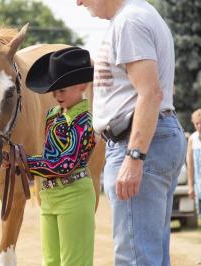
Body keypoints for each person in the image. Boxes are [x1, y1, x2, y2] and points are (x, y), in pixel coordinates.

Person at [76, 0, 187, 265]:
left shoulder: (129, 22)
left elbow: (150, 93)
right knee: (150, 254)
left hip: (138, 142)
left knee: (136, 257)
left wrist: (135, 156)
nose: (78, 2)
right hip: (153, 137)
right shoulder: (137, 15)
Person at [24, 47, 97, 266]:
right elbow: (50, 155)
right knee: (51, 262)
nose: (56, 96)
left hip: (74, 196)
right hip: (49, 197)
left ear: (81, 86)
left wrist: (25, 162)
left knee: (74, 262)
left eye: (62, 90)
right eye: (54, 91)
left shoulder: (86, 121)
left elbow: (65, 163)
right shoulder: (52, 116)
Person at [187, 109, 201, 216]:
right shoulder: (192, 139)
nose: (199, 126)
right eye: (197, 123)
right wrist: (190, 186)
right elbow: (190, 165)